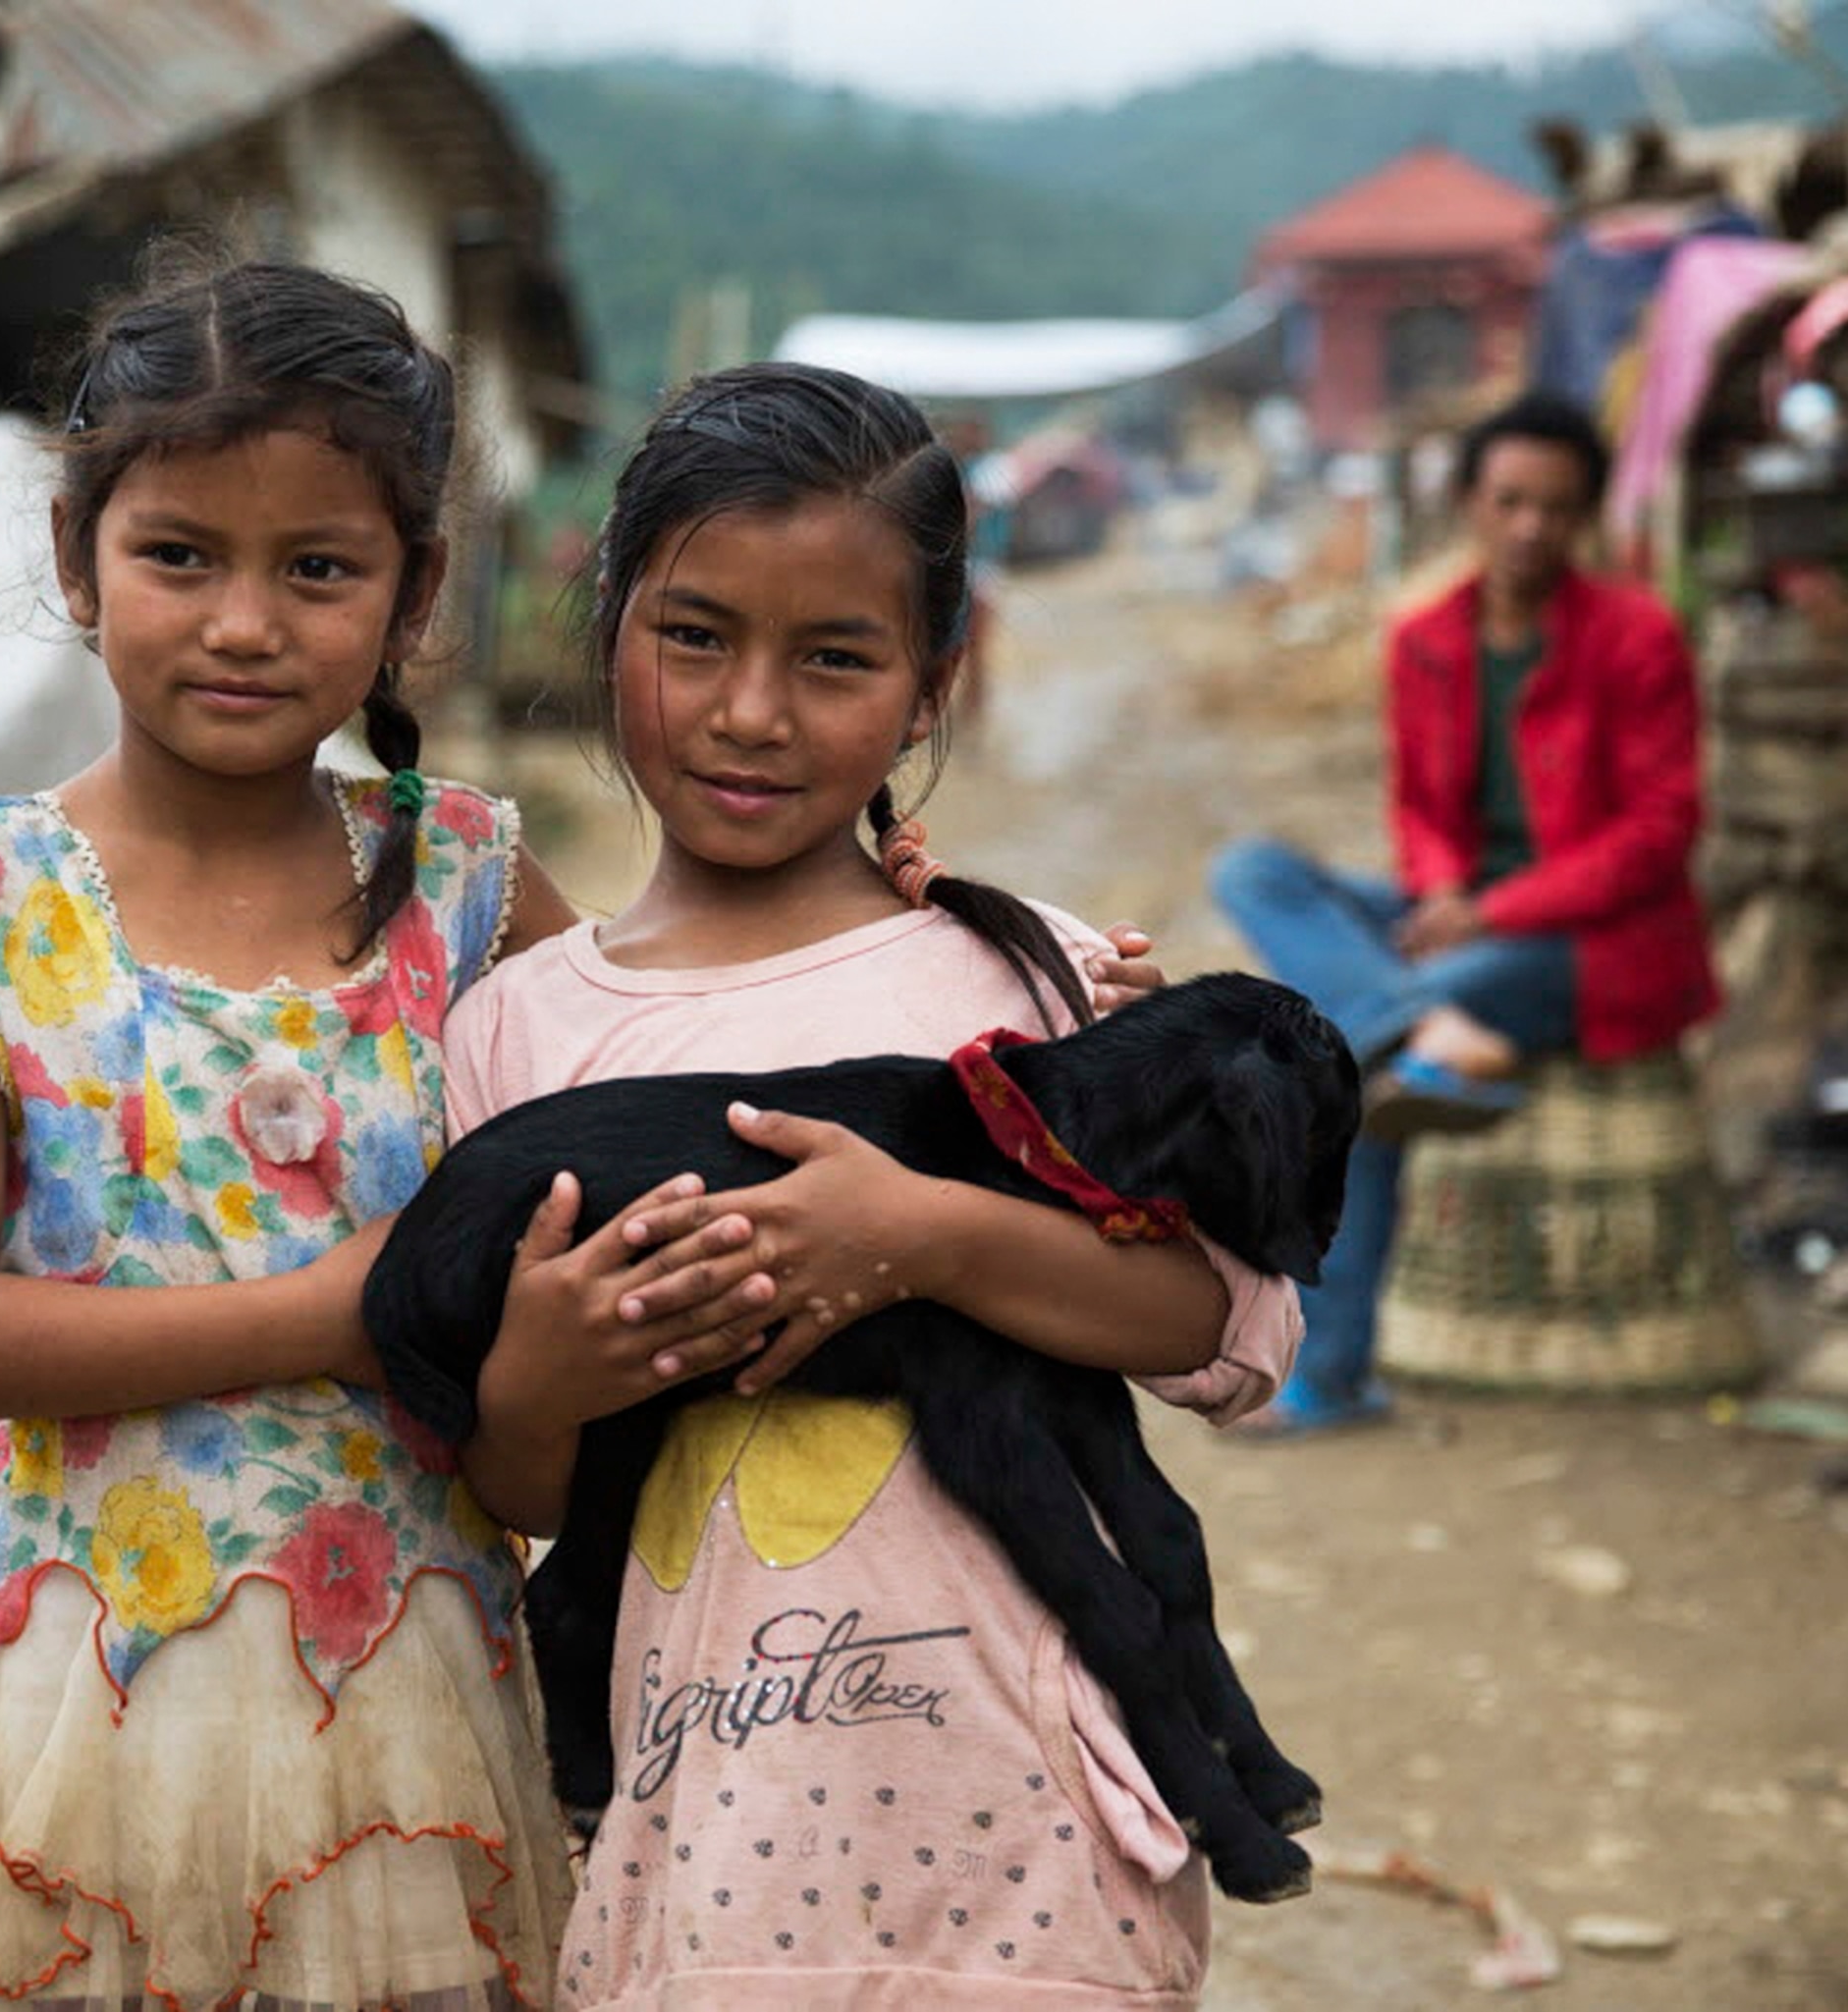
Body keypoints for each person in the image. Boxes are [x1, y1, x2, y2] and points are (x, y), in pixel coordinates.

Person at [0, 255, 784, 2012]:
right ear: (76, 559)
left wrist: (973, 962)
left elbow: (677, 1064)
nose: (244, 621)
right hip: (86, 1687)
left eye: (319, 567)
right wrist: (345, 1308)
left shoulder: (468, 879)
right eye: (178, 553)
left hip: (406, 1675)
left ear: (411, 593)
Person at [443, 360, 1306, 2009]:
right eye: (693, 635)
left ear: (930, 685)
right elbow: (515, 1487)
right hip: (694, 1851)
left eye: (833, 656)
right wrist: (540, 1377)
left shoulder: (1023, 975)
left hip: (1031, 1851)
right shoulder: (519, 1032)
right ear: (604, 622)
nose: (750, 710)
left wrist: (923, 1233)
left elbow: (1231, 1325)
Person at [1207, 388, 1720, 1438]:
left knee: (1344, 1063)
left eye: (1556, 507)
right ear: (1471, 505)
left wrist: (1494, 912)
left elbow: (1659, 835)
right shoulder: (1427, 636)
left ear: (1583, 518)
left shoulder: (1636, 636)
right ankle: (1416, 1027)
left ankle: (1331, 1374)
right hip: (1459, 922)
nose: (1531, 526)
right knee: (1252, 870)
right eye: (1511, 501)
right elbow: (1419, 805)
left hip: (1596, 939)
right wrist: (1443, 891)